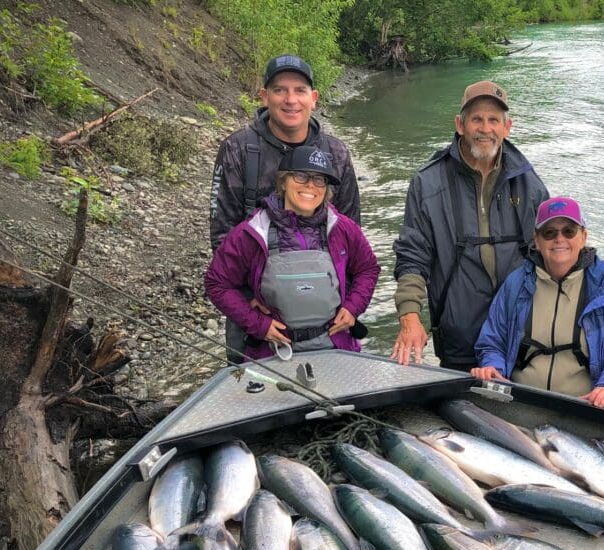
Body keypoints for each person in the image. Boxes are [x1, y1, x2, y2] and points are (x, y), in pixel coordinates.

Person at [209, 55, 361, 361]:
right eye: (280, 90)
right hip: (259, 314)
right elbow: (222, 233)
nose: (290, 100)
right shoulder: (238, 149)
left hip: (325, 316)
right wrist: (249, 304)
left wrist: (352, 305)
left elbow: (352, 236)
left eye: (300, 90)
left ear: (313, 99)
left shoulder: (336, 153)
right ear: (264, 96)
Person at [391, 80, 549, 371]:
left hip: (520, 340)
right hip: (459, 339)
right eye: (476, 119)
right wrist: (410, 316)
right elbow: (413, 255)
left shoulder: (531, 185)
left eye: (493, 120)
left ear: (507, 127)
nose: (485, 129)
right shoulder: (427, 183)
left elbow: (552, 256)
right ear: (460, 125)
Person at [470, 197, 604, 412]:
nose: (559, 239)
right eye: (549, 233)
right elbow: (492, 341)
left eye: (569, 231)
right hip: (518, 403)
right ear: (536, 240)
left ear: (583, 237)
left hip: (585, 410)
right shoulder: (515, 285)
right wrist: (492, 367)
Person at [204, 146, 379, 362]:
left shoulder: (344, 228)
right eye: (301, 176)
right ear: (283, 182)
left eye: (319, 180)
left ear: (326, 189)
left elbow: (368, 268)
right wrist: (257, 324)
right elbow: (217, 283)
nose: (310, 185)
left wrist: (353, 307)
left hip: (338, 348)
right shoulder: (251, 232)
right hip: (273, 354)